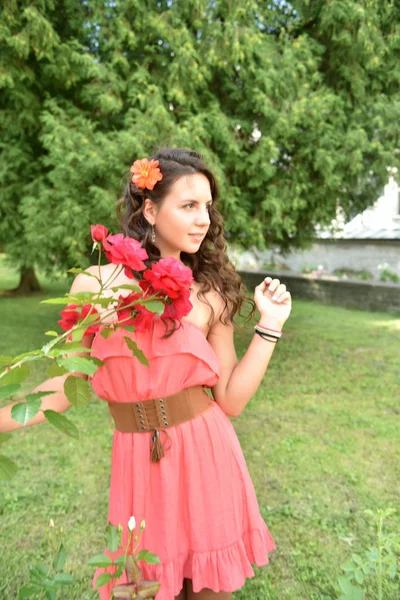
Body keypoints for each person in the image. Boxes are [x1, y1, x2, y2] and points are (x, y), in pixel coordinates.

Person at [0, 147, 292, 600]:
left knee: (208, 592)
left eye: (208, 207)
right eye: (189, 205)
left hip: (205, 456)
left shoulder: (211, 293)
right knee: (140, 588)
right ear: (151, 210)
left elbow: (231, 400)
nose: (204, 220)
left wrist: (269, 325)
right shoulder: (96, 286)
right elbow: (65, 387)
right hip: (136, 462)